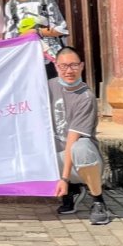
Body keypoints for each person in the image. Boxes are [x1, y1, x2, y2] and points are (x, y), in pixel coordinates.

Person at [49, 46, 111, 225]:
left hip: (81, 162)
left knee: (80, 147)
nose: (69, 71)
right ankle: (72, 190)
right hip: (57, 159)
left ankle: (98, 200)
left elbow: (71, 139)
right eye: (64, 66)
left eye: (74, 65)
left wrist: (64, 178)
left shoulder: (85, 97)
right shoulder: (48, 87)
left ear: (82, 66)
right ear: (56, 66)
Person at [3, 0, 69, 75]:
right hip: (26, 60)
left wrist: (37, 32)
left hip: (51, 58)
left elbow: (61, 29)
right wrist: (24, 35)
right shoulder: (10, 6)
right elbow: (10, 38)